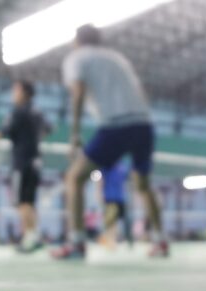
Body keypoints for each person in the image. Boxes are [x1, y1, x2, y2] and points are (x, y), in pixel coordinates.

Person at [53, 24, 165, 259]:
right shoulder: (118, 58)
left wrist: (74, 134)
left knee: (75, 177)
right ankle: (160, 240)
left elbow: (79, 91)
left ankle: (77, 243)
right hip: (143, 124)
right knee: (143, 185)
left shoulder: (76, 58)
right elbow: (140, 92)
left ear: (77, 40)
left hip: (115, 126)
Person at [0, 80, 50, 253]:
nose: (13, 94)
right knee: (31, 203)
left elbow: (2, 130)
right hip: (36, 161)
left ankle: (29, 239)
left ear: (24, 93)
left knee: (22, 203)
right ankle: (34, 236)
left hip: (22, 162)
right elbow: (48, 129)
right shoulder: (38, 112)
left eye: (16, 90)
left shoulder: (18, 112)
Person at [99, 161, 133, 248]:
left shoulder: (123, 167)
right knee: (111, 221)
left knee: (125, 220)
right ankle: (110, 241)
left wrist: (130, 199)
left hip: (121, 199)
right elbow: (100, 181)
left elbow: (127, 183)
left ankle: (129, 240)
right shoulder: (105, 166)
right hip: (110, 198)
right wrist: (99, 194)